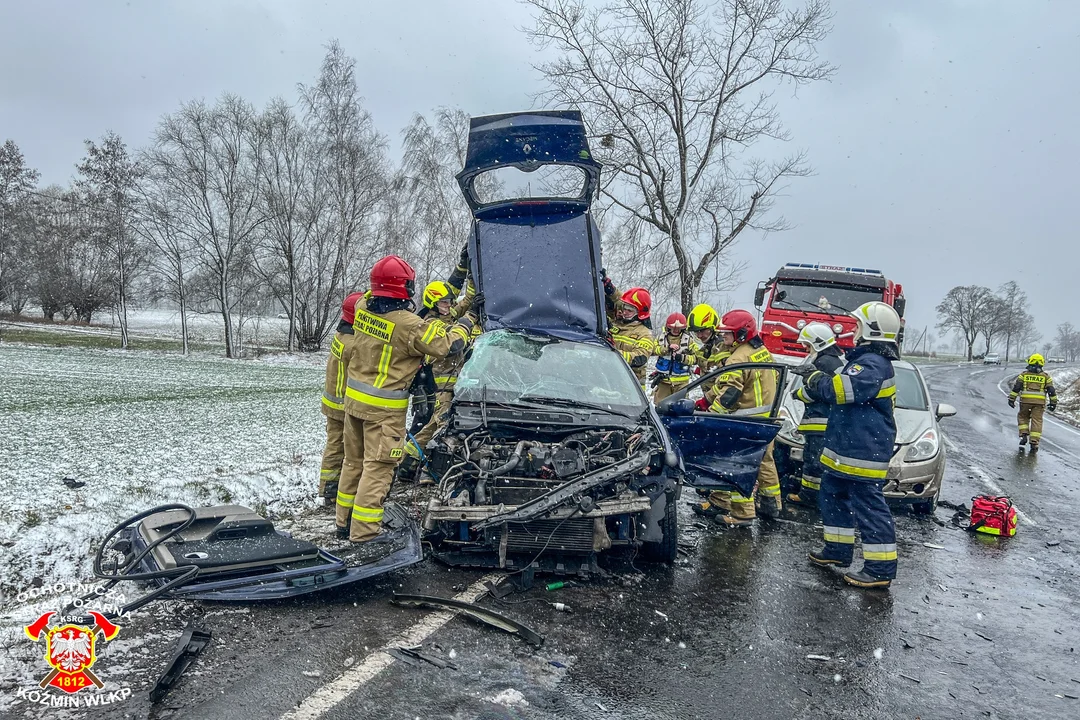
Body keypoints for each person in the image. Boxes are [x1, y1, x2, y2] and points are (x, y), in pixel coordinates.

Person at [336, 255, 476, 543]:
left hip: (354, 404)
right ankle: (363, 535)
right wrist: (467, 320)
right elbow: (450, 344)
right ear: (406, 288)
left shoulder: (363, 308)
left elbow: (363, 297)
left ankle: (343, 524)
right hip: (384, 412)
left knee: (353, 463)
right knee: (378, 470)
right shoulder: (409, 325)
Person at [799, 301, 901, 589]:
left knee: (869, 507)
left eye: (858, 325)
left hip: (862, 452)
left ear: (872, 330)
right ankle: (837, 550)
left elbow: (837, 391)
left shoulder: (872, 365)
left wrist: (815, 376)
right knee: (831, 493)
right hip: (846, 448)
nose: (854, 330)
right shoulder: (866, 361)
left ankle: (880, 569)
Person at [693, 309, 781, 526]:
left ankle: (741, 513)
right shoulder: (760, 351)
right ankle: (771, 504)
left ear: (741, 334)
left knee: (735, 463)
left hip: (744, 419)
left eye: (727, 334)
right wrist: (705, 400)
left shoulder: (737, 357)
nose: (724, 337)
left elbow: (730, 393)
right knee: (764, 461)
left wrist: (711, 416)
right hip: (765, 418)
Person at [399, 269, 481, 484]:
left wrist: (472, 277)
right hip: (440, 388)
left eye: (450, 302)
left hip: (453, 387)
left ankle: (413, 465)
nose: (449, 306)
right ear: (433, 303)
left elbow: (468, 300)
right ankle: (409, 465)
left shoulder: (446, 313)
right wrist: (470, 318)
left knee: (437, 426)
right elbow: (453, 341)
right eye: (444, 303)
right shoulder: (432, 323)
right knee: (438, 427)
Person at [787, 323, 846, 507]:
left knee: (813, 462)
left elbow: (818, 391)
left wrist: (798, 394)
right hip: (828, 422)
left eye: (807, 344)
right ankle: (818, 496)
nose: (805, 348)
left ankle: (809, 497)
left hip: (820, 423)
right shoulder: (834, 361)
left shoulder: (823, 363)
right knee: (818, 462)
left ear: (817, 343)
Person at [318, 291, 365, 505]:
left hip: (332, 400)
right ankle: (342, 491)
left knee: (333, 445)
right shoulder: (354, 343)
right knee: (349, 449)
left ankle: (328, 489)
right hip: (344, 403)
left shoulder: (341, 335)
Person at [603, 274, 654, 388]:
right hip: (611, 381)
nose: (625, 312)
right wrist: (610, 289)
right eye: (624, 308)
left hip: (631, 389)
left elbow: (640, 358)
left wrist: (612, 354)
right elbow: (619, 300)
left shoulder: (644, 334)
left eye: (629, 310)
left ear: (640, 314)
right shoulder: (618, 323)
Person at [1009, 353, 1057, 452]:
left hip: (1025, 402)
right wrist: (1053, 403)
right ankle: (1034, 442)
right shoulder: (1046, 377)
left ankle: (1023, 435)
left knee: (1023, 417)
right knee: (1037, 421)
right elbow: (1051, 390)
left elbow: (1017, 388)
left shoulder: (1023, 375)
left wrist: (1011, 399)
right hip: (1039, 404)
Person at [650, 313, 697, 403]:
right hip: (663, 381)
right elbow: (652, 350)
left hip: (681, 383)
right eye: (673, 327)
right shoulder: (661, 338)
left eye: (679, 328)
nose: (676, 330)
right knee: (660, 406)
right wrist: (666, 349)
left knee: (680, 408)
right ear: (668, 327)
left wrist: (682, 358)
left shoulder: (689, 341)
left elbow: (696, 358)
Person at [683, 303, 733, 373]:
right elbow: (698, 358)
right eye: (696, 332)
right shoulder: (709, 344)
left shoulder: (720, 346)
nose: (699, 335)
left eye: (702, 331)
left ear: (712, 328)